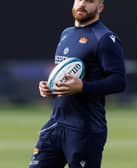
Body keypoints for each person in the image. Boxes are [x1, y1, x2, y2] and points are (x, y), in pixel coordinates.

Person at [29, 0, 126, 167]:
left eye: (89, 1)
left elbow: (119, 82)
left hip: (85, 130)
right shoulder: (66, 34)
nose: (82, 4)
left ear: (100, 7)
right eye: (79, 0)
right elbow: (64, 77)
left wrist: (83, 87)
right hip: (55, 124)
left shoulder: (105, 39)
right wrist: (51, 87)